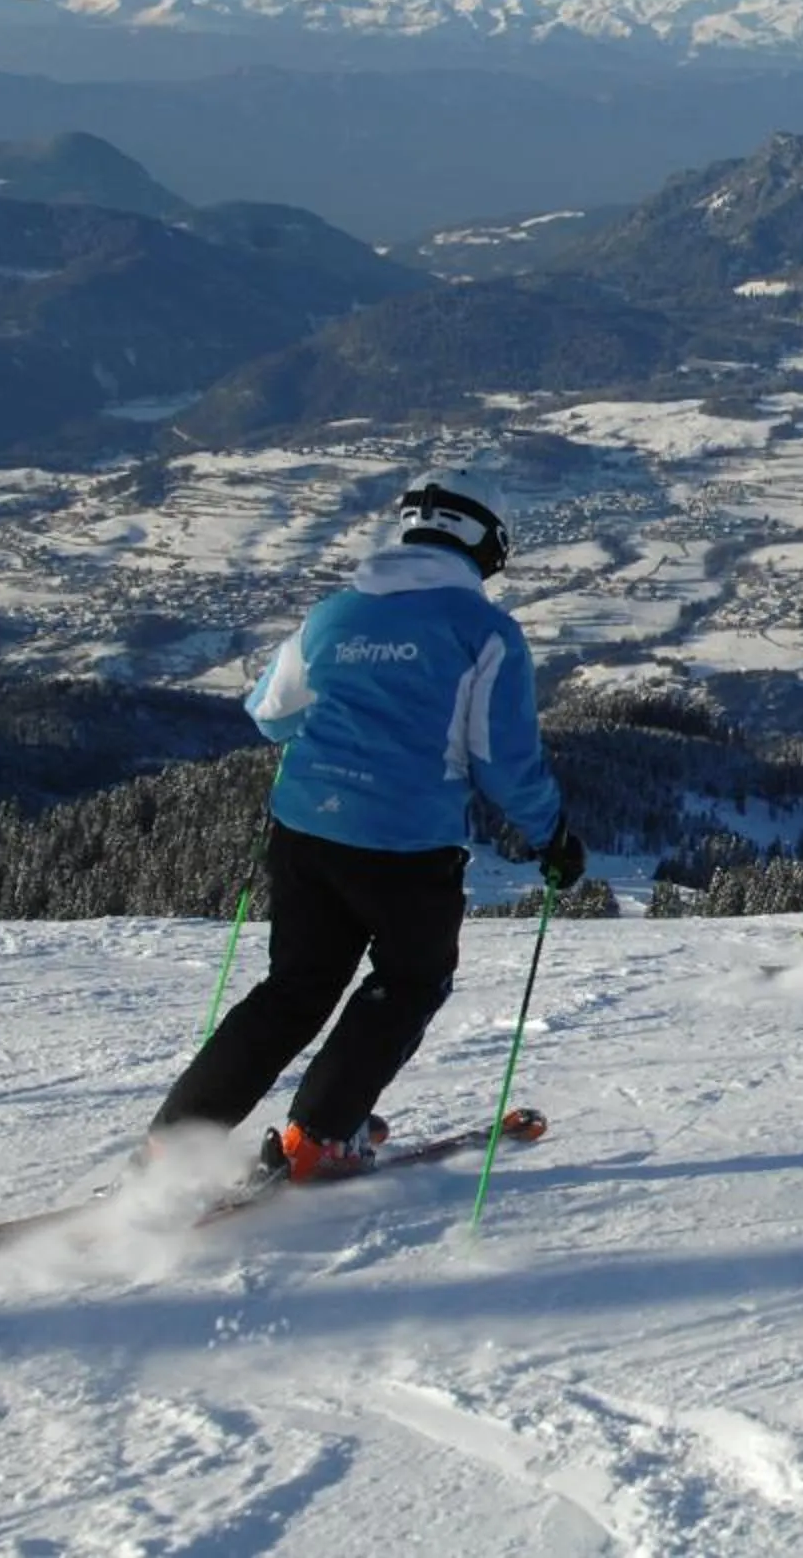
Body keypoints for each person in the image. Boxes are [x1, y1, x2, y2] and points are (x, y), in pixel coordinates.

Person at [150, 469, 582, 1181]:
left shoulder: (335, 614)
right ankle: (321, 1135)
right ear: (488, 544)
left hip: (304, 834)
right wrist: (552, 836)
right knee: (410, 980)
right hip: (406, 847)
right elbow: (502, 762)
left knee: (296, 987)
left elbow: (269, 715)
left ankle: (181, 1138)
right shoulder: (485, 632)